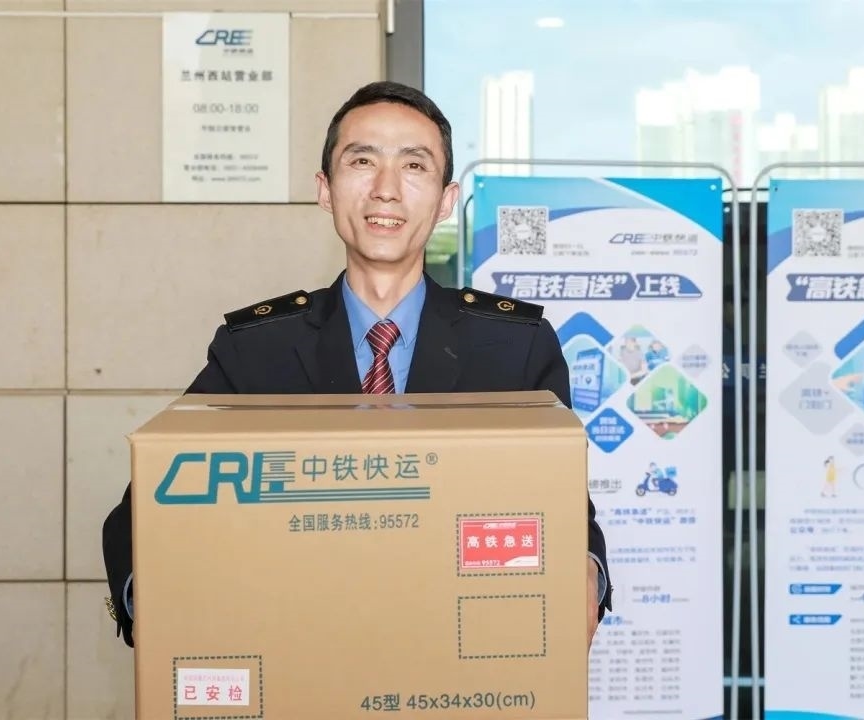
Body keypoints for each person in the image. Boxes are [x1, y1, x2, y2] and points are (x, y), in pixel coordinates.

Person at [101, 80, 611, 651]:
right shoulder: (257, 350)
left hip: (457, 657)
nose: (386, 190)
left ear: (446, 199)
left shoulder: (515, 347)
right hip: (306, 655)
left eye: (414, 165)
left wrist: (587, 571)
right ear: (325, 189)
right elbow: (147, 502)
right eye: (362, 161)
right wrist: (153, 601)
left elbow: (565, 504)